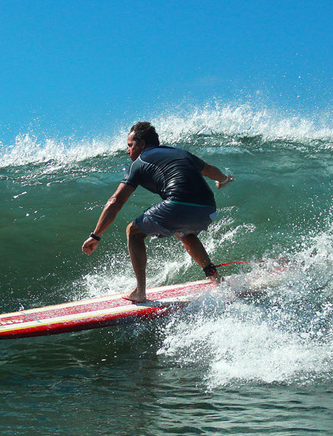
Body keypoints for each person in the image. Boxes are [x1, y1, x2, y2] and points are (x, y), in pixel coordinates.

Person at [81, 121, 234, 303]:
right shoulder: (179, 152)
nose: (128, 151)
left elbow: (116, 201)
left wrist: (96, 236)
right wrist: (224, 179)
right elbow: (208, 169)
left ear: (142, 144)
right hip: (208, 209)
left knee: (133, 231)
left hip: (178, 204)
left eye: (130, 145)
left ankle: (140, 291)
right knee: (184, 233)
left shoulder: (139, 162)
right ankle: (216, 279)